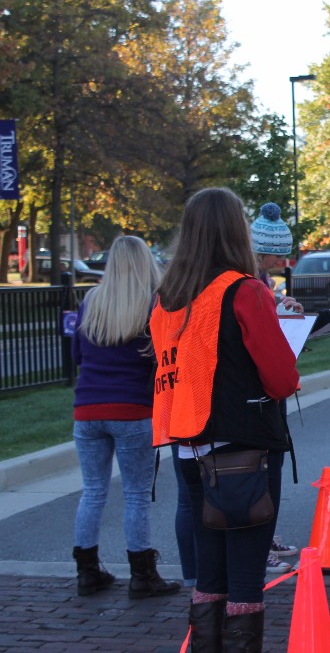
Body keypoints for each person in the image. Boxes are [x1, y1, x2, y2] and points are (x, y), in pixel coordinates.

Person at [151, 187, 299, 652]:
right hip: (244, 450)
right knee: (245, 579)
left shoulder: (167, 298)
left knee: (209, 574)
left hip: (187, 445)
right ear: (237, 229)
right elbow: (281, 379)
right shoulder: (246, 291)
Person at [71, 235, 182, 600]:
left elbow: (77, 354)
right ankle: (142, 574)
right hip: (133, 410)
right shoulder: (153, 304)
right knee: (135, 494)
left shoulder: (91, 301)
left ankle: (87, 571)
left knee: (93, 491)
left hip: (87, 410)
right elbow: (163, 358)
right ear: (145, 262)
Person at [249, 202, 330, 573]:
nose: (281, 262)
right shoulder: (248, 283)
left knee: (269, 467)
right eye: (275, 256)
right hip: (259, 392)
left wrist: (289, 311)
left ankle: (264, 534)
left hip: (270, 388)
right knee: (262, 470)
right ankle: (257, 545)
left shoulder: (262, 284)